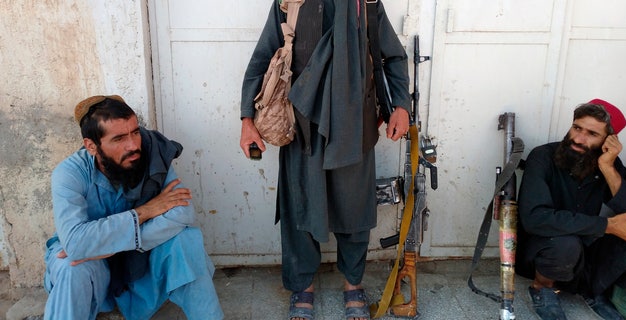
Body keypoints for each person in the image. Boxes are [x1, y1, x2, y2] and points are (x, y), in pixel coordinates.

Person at [240, 0, 410, 319]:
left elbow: (393, 55)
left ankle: (353, 284)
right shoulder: (290, 2)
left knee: (355, 207)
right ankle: (302, 286)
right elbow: (264, 56)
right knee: (300, 207)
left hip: (355, 124)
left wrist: (400, 106)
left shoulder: (367, 3)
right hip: (300, 123)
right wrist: (247, 119)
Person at [43, 95, 224, 319]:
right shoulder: (69, 173)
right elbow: (76, 245)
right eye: (119, 138)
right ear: (91, 146)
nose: (133, 145)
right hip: (91, 267)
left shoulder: (151, 154)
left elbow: (183, 211)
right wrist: (145, 211)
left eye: (135, 132)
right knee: (72, 267)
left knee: (186, 241)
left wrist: (114, 245)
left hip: (137, 260)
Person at [515, 98, 626, 320]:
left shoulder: (606, 163)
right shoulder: (542, 156)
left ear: (608, 142)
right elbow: (535, 218)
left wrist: (607, 167)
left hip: (584, 251)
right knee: (566, 242)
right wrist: (607, 226)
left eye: (592, 134)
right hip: (544, 248)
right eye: (577, 128)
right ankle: (542, 289)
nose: (578, 138)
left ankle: (593, 290)